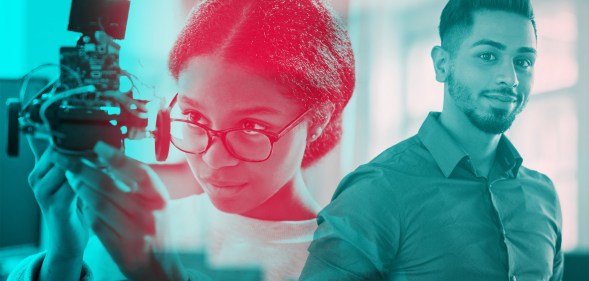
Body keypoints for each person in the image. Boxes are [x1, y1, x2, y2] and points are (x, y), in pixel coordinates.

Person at [8, 0, 354, 280]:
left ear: (318, 119)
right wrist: (63, 257)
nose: (215, 159)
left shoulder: (353, 262)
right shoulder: (135, 226)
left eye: (251, 126)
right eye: (194, 118)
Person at [299, 0, 563, 280]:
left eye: (523, 62)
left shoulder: (543, 196)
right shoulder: (377, 190)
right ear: (442, 64)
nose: (509, 78)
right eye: (487, 56)